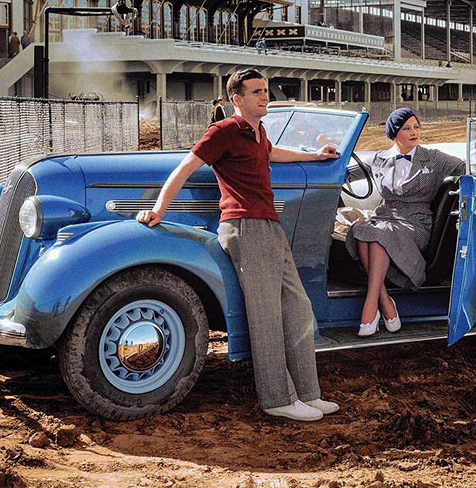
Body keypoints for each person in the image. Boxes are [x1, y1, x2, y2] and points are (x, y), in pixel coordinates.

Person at [137, 68, 340, 422]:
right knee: (266, 316)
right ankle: (277, 399)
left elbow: (274, 154)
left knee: (297, 307)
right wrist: (158, 208)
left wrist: (315, 156)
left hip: (268, 226)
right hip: (244, 227)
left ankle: (309, 393)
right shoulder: (224, 130)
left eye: (266, 90)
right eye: (258, 91)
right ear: (237, 99)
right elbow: (186, 166)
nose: (266, 96)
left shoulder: (258, 132)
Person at [345, 107, 465, 335]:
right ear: (394, 133)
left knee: (379, 234)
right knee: (360, 229)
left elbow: (466, 167)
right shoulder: (379, 159)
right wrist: (324, 158)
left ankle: (371, 308)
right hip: (385, 217)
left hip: (416, 223)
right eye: (406, 128)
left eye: (416, 127)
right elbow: (347, 174)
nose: (413, 132)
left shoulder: (434, 158)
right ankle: (385, 301)